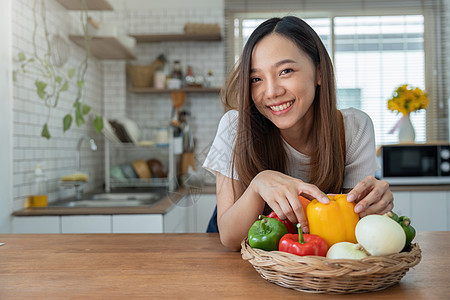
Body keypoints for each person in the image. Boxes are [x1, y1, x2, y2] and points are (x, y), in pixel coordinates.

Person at [203, 16, 393, 251]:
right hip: (240, 263)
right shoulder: (236, 126)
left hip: (311, 265)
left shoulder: (353, 128)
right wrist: (258, 185)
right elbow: (230, 239)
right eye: (256, 79)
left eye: (286, 71)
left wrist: (374, 206)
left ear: (320, 72)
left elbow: (350, 237)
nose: (271, 92)